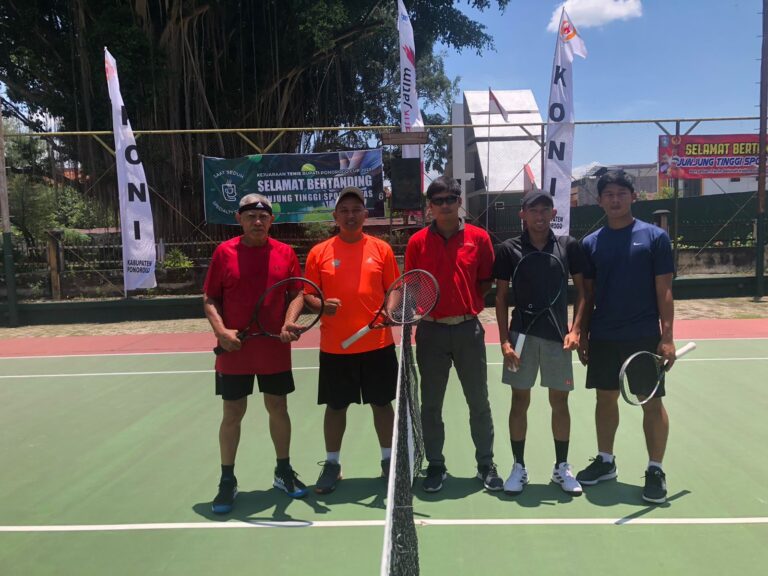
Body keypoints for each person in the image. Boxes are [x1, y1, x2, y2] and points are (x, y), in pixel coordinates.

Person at [203, 193, 308, 514]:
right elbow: (209, 299)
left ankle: (283, 470)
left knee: (278, 407)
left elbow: (297, 293)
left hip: (274, 347)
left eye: (263, 216)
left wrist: (290, 321)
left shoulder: (285, 253)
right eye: (250, 216)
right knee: (232, 413)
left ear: (271, 220)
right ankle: (227, 480)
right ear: (239, 219)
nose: (258, 221)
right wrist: (222, 332)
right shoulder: (223, 253)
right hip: (234, 350)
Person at [576, 170, 676, 504]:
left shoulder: (654, 238)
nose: (615, 199)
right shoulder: (591, 244)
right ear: (600, 200)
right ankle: (606, 461)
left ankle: (655, 468)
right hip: (603, 335)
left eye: (621, 193)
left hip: (643, 336)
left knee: (651, 402)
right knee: (604, 399)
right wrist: (583, 333)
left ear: (632, 196)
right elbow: (587, 295)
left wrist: (667, 337)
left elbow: (664, 291)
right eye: (609, 194)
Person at [405, 175, 502, 493]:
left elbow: (485, 281)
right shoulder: (417, 242)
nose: (446, 205)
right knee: (430, 405)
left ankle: (486, 465)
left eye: (451, 198)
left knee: (479, 402)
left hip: (468, 331)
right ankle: (436, 465)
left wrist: (465, 304)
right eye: (439, 200)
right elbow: (411, 284)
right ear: (430, 207)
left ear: (460, 201)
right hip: (430, 332)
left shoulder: (480, 238)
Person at [304, 186, 399, 494]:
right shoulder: (319, 252)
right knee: (335, 407)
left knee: (382, 404)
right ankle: (332, 464)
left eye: (356, 210)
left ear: (365, 215)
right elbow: (308, 296)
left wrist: (389, 310)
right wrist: (321, 305)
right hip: (336, 347)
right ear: (335, 216)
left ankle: (388, 462)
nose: (350, 215)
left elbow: (395, 288)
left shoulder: (381, 249)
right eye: (344, 210)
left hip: (378, 344)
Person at [493, 190, 587, 496]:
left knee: (560, 402)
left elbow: (583, 293)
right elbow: (501, 297)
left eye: (545, 210)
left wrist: (575, 330)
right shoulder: (508, 249)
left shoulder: (567, 246)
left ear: (552, 213)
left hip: (558, 340)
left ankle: (562, 467)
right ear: (523, 214)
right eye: (534, 210)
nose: (540, 216)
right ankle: (518, 467)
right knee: (519, 401)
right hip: (520, 336)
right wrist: (504, 340)